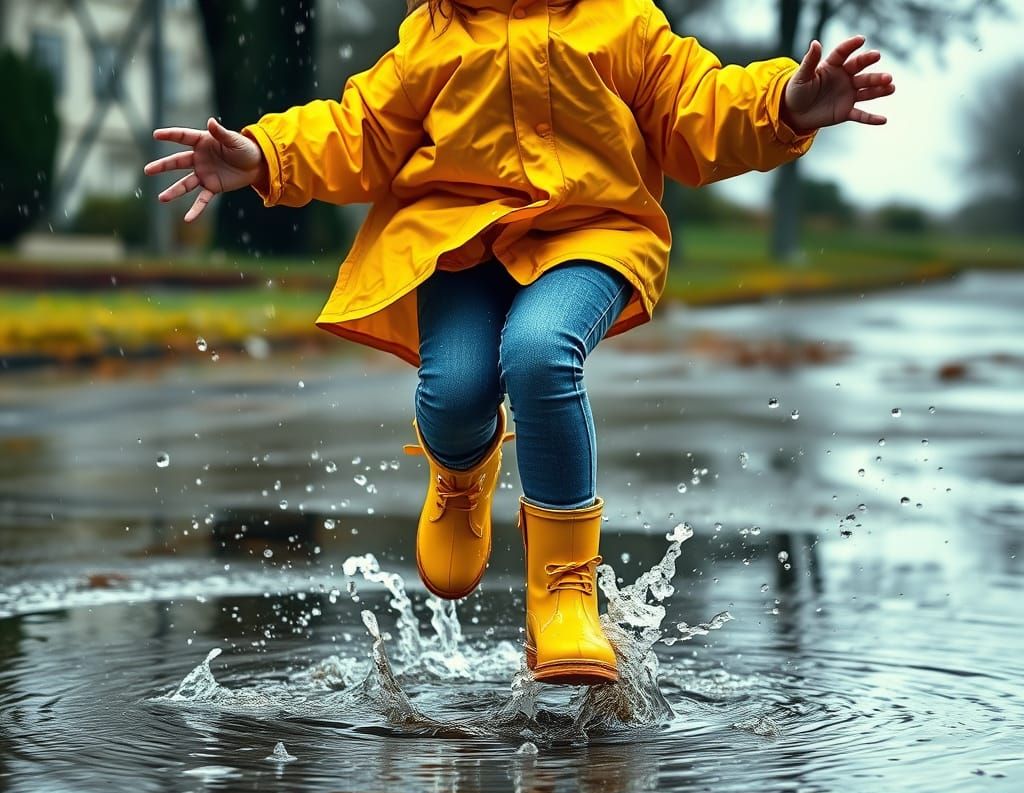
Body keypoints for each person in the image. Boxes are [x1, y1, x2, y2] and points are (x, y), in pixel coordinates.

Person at [144, 0, 894, 686]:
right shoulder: (434, 33)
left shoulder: (622, 22)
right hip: (459, 240)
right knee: (456, 391)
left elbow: (699, 108)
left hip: (589, 232)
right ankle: (461, 473)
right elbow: (359, 131)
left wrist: (786, 104)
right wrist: (266, 155)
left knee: (539, 353)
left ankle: (565, 599)